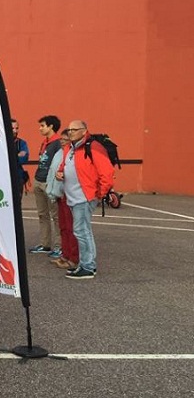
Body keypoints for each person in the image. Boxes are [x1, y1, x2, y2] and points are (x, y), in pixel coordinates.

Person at [55, 120, 115, 280]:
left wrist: (98, 194)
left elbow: (107, 173)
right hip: (73, 197)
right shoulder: (70, 148)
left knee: (82, 232)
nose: (71, 132)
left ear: (84, 131)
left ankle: (88, 266)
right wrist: (59, 174)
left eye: (74, 129)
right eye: (69, 130)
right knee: (82, 231)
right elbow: (63, 167)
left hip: (84, 197)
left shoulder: (93, 147)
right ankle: (85, 265)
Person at [45, 130, 79, 271]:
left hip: (69, 194)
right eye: (62, 138)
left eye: (66, 139)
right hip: (59, 194)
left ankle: (73, 258)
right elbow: (53, 171)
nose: (62, 141)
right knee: (63, 227)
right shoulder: (60, 152)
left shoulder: (73, 154)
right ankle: (65, 255)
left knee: (71, 229)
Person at [29, 115, 62, 256]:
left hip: (49, 183)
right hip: (39, 180)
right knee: (42, 215)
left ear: (51, 127)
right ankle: (45, 244)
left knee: (56, 216)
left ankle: (59, 246)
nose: (40, 128)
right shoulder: (45, 143)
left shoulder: (58, 143)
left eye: (43, 125)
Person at [12, 118, 30, 194]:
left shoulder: (21, 143)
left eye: (17, 128)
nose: (15, 131)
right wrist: (17, 155)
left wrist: (11, 156)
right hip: (3, 178)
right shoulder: (1, 142)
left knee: (18, 203)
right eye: (12, 128)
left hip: (18, 178)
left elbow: (24, 159)